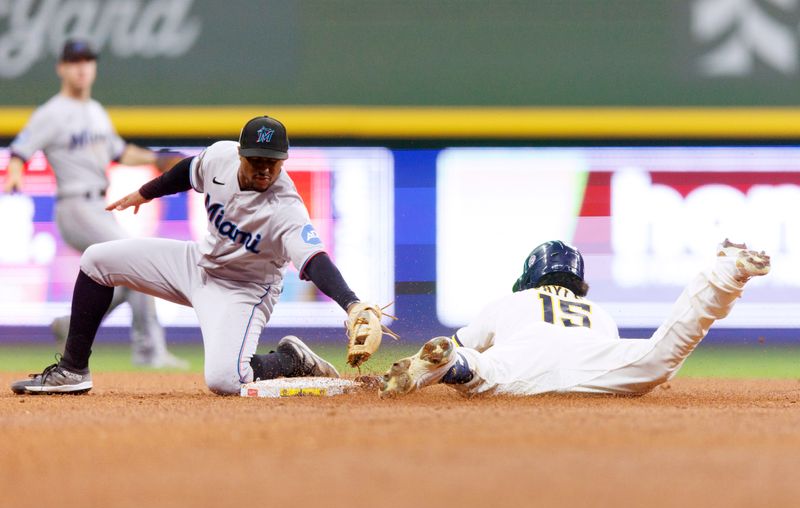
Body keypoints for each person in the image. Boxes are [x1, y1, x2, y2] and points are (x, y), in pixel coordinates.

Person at [10, 114, 376, 396]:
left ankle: (290, 360)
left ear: (284, 160)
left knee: (227, 380)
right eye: (256, 159)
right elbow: (187, 171)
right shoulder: (220, 157)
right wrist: (146, 192)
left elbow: (315, 260)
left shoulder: (285, 208)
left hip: (243, 290)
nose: (264, 168)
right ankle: (73, 371)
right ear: (240, 154)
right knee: (95, 261)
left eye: (273, 161)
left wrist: (352, 304)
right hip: (195, 264)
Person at [380, 239, 771, 398]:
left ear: (530, 277)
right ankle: (724, 275)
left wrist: (447, 355)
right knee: (661, 354)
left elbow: (470, 337)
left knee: (482, 368)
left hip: (525, 356)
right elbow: (594, 351)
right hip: (597, 363)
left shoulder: (514, 300)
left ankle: (452, 366)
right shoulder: (597, 311)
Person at [3, 38, 186, 369]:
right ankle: (149, 351)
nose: (82, 67)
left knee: (129, 273)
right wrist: (15, 171)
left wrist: (157, 160)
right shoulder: (52, 113)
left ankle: (71, 324)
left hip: (97, 205)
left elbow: (120, 152)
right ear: (61, 67)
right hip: (74, 204)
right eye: (74, 61)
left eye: (87, 60)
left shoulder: (96, 112)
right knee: (137, 261)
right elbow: (21, 149)